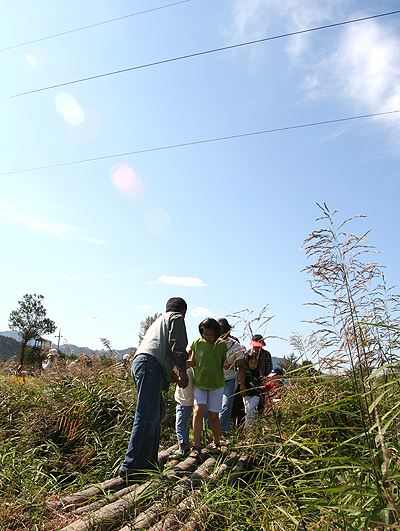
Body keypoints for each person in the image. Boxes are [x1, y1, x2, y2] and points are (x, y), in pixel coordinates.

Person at [119, 297, 189, 482]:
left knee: (157, 412)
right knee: (147, 415)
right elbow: (177, 346)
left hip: (142, 363)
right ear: (183, 311)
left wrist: (171, 375)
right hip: (149, 364)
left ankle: (149, 462)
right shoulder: (176, 318)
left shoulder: (159, 321)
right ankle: (132, 466)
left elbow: (161, 351)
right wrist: (182, 372)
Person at [187, 318, 228, 456]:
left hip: (216, 384)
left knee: (213, 415)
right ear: (201, 332)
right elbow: (192, 362)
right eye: (205, 335)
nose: (208, 337)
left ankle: (216, 443)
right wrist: (180, 364)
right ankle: (197, 446)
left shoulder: (221, 345)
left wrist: (227, 365)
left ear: (216, 333)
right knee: (198, 411)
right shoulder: (196, 344)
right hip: (200, 384)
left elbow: (224, 361)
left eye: (211, 335)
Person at [217, 318, 245, 437]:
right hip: (214, 380)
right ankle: (212, 432)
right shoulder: (211, 344)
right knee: (212, 408)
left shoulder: (235, 346)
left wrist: (242, 384)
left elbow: (241, 366)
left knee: (226, 406)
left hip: (229, 380)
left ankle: (222, 432)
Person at [171, 366, 195, 459]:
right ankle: (185, 445)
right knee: (184, 425)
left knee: (180, 425)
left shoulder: (186, 373)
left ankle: (183, 448)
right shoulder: (192, 371)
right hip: (187, 402)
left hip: (183, 402)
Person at [243, 354, 262, 429]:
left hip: (255, 395)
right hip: (247, 395)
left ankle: (248, 428)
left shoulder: (258, 373)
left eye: (255, 363)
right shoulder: (245, 372)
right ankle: (251, 427)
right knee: (247, 412)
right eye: (251, 363)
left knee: (251, 411)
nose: (253, 365)